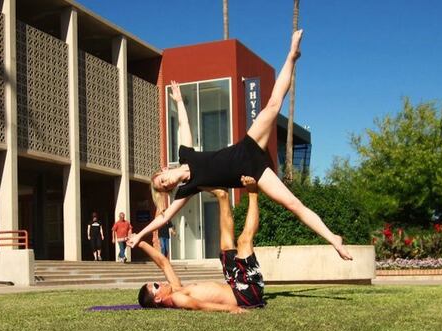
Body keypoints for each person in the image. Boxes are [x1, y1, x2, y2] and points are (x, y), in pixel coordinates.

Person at [127, 30, 352, 261]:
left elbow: (184, 124)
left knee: (273, 105)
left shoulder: (186, 154)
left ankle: (292, 56)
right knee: (293, 204)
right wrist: (140, 235)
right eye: (165, 188)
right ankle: (333, 239)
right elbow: (163, 218)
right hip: (254, 172)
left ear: (166, 169)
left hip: (247, 148)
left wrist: (178, 101)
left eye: (163, 180)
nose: (168, 184)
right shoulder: (188, 188)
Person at [136, 178, 265, 313]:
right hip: (247, 294)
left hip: (234, 283)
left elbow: (164, 263)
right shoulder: (176, 298)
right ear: (157, 299)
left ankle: (223, 196)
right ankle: (252, 192)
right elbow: (199, 305)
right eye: (156, 286)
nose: (160, 282)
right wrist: (232, 309)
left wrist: (140, 242)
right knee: (243, 241)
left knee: (226, 245)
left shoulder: (176, 288)